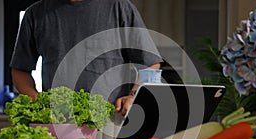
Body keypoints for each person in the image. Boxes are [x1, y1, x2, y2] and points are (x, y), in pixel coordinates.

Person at [10, 0, 162, 116]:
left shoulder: (119, 7)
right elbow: (20, 70)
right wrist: (39, 101)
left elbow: (152, 65)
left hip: (111, 121)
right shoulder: (35, 14)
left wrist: (133, 96)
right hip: (57, 123)